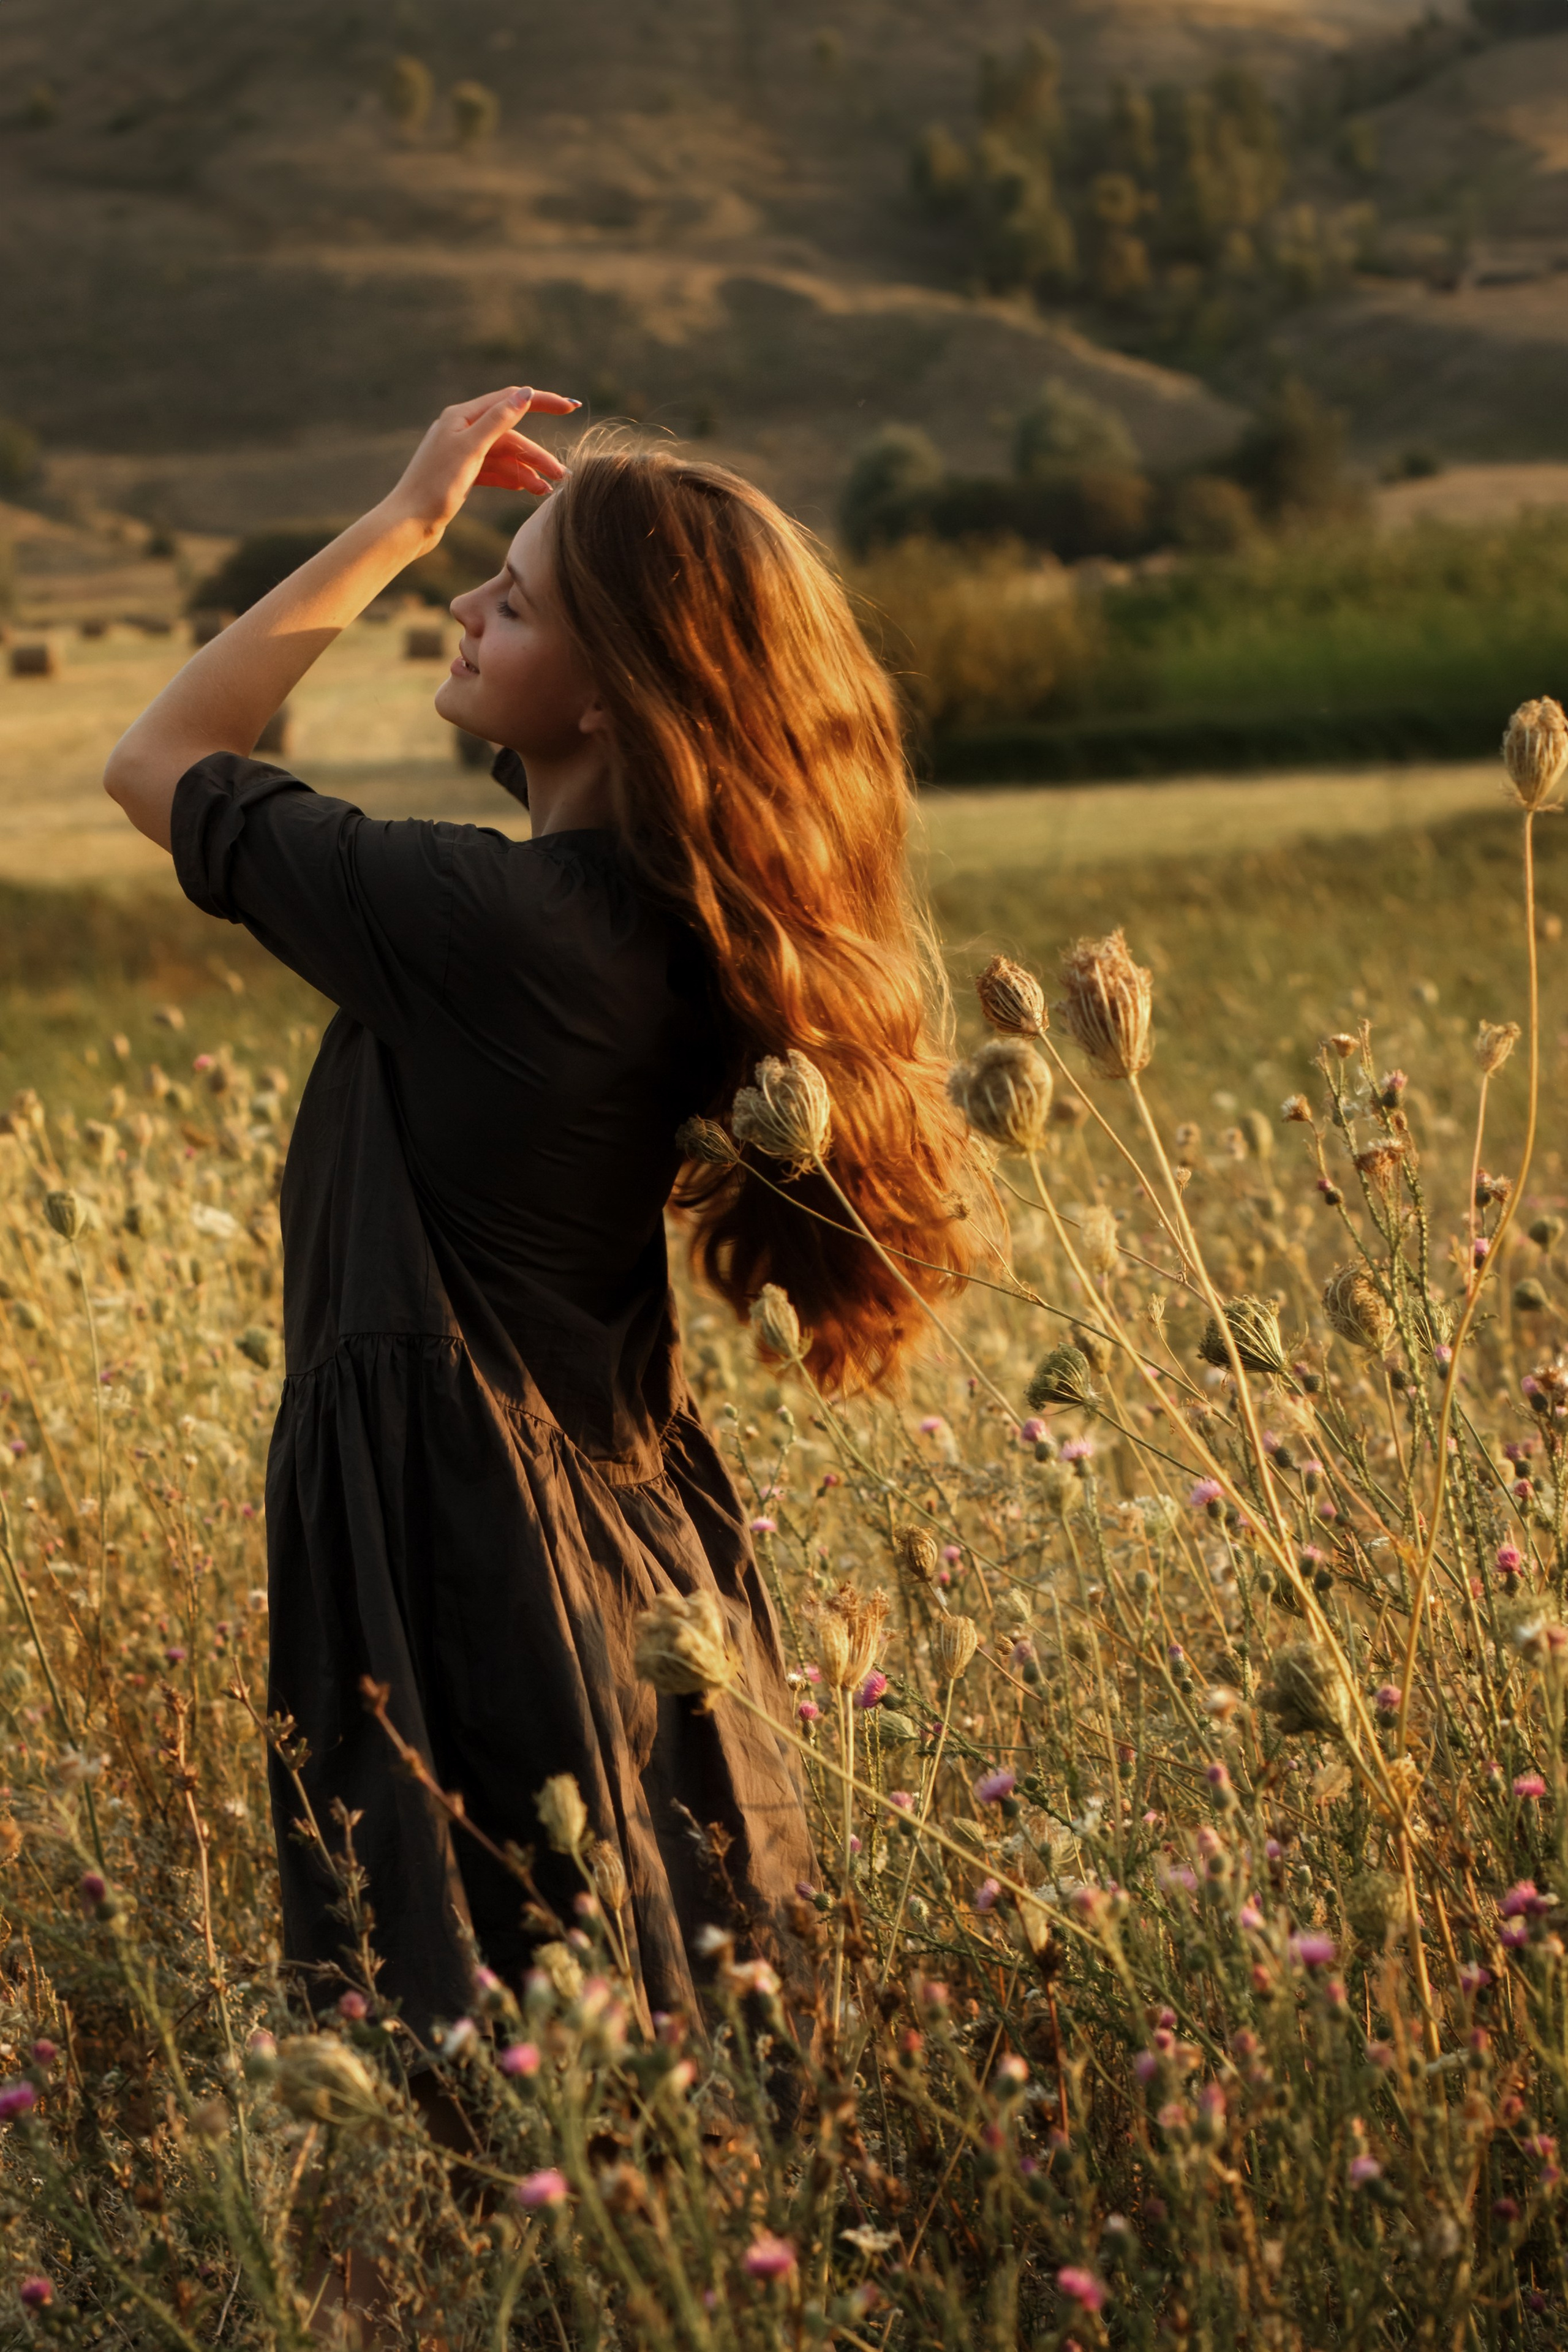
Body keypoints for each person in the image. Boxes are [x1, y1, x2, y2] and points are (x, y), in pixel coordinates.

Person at [102, 377, 977, 2122]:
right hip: (610, 1542)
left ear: (613, 688)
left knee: (501, 2102)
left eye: (513, 594)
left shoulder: (492, 925)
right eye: (472, 572)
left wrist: (402, 514)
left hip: (472, 1550)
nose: (462, 604)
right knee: (659, 2080)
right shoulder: (643, 925)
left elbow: (162, 760)